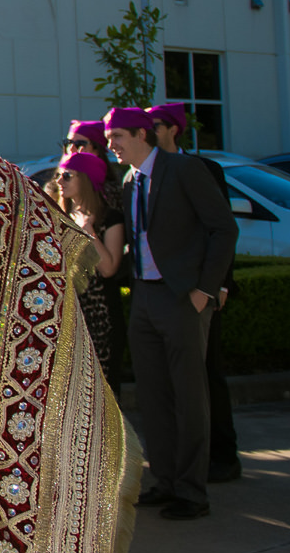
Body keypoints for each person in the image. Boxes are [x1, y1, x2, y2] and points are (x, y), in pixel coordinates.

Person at [105, 106, 236, 521]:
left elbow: (223, 228)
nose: (112, 146)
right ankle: (164, 480)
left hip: (183, 297)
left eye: (118, 137)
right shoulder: (129, 182)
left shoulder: (184, 170)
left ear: (142, 135)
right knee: (154, 394)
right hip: (144, 296)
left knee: (189, 394)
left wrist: (206, 289)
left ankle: (192, 491)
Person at [150, 101, 241, 482]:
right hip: (164, 292)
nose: (147, 132)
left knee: (209, 374)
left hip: (200, 290)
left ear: (173, 129)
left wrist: (215, 284)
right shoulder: (146, 174)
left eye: (153, 125)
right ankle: (179, 465)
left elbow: (220, 230)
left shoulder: (204, 169)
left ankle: (223, 456)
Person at [47, 151, 125, 377]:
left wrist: (89, 231)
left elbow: (109, 268)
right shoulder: (59, 218)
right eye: (60, 175)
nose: (59, 181)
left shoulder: (109, 219)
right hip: (67, 317)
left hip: (100, 318)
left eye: (68, 176)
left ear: (87, 179)